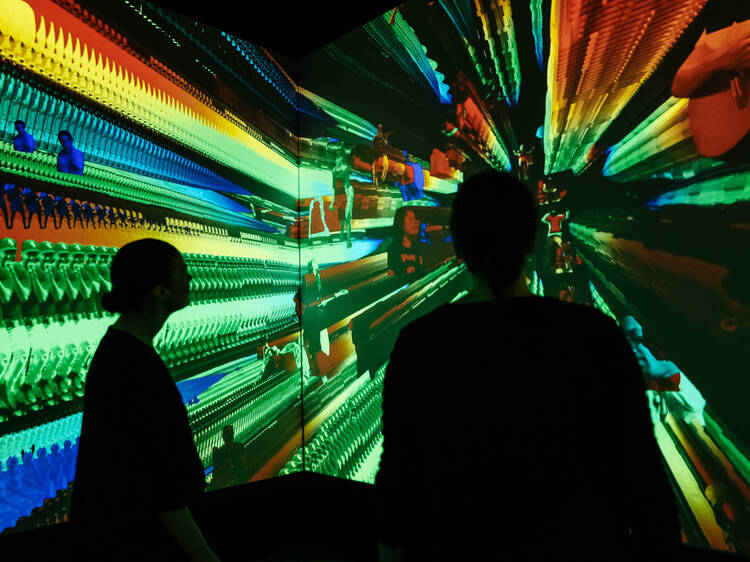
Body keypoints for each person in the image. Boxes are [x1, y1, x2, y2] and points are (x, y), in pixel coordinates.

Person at [375, 171, 681, 561]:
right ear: (533, 241)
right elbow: (648, 493)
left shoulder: (419, 346)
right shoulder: (596, 337)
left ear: (460, 245)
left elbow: (396, 502)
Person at [69, 239, 221, 562]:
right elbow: (157, 485)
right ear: (160, 290)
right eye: (182, 272)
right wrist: (203, 553)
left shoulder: (126, 351)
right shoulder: (128, 363)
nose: (190, 279)